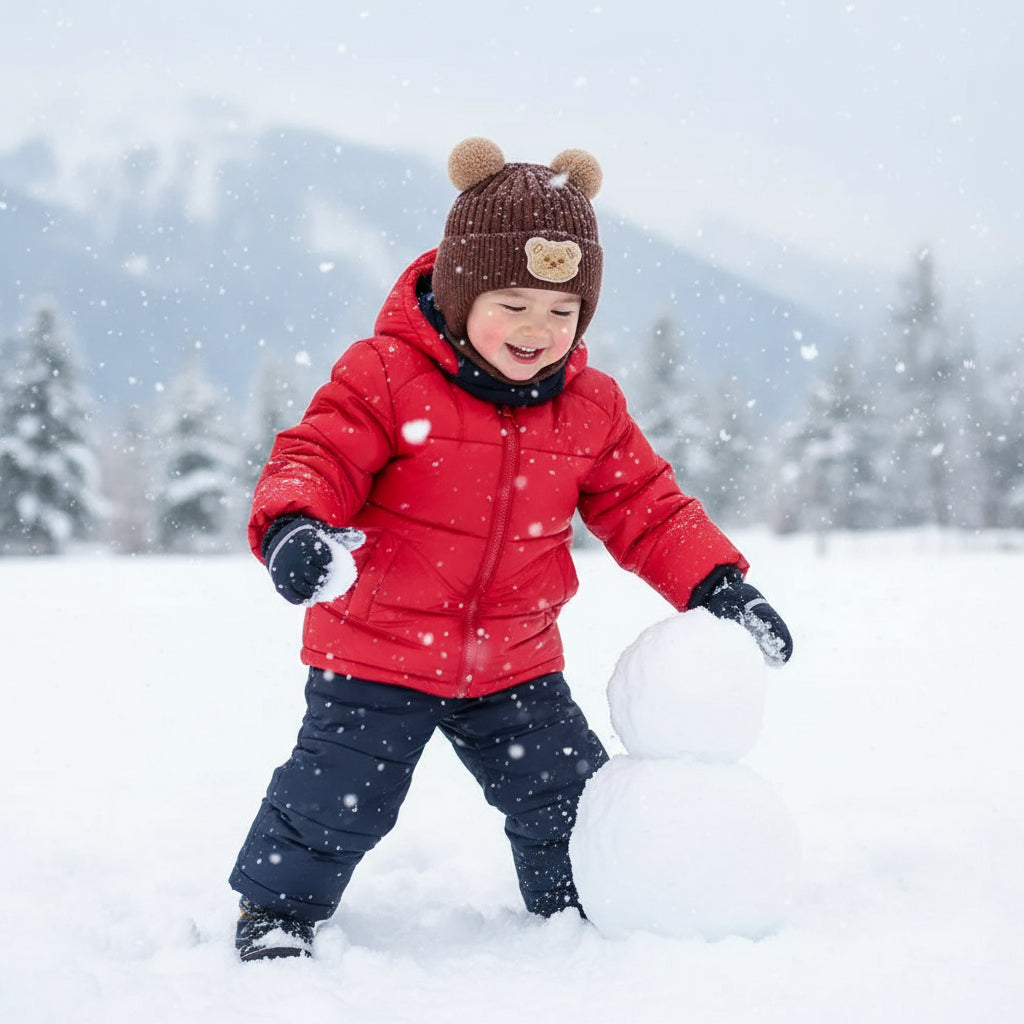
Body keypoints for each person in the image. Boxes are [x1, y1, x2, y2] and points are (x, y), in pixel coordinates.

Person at [229, 137, 793, 962]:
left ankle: (573, 913)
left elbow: (649, 507)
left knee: (567, 796)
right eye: (513, 304)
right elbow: (317, 455)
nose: (537, 330)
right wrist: (294, 527)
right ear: (460, 296)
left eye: (562, 312)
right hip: (378, 651)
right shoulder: (388, 374)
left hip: (515, 662)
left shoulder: (590, 408)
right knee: (337, 797)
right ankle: (277, 910)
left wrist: (719, 586)